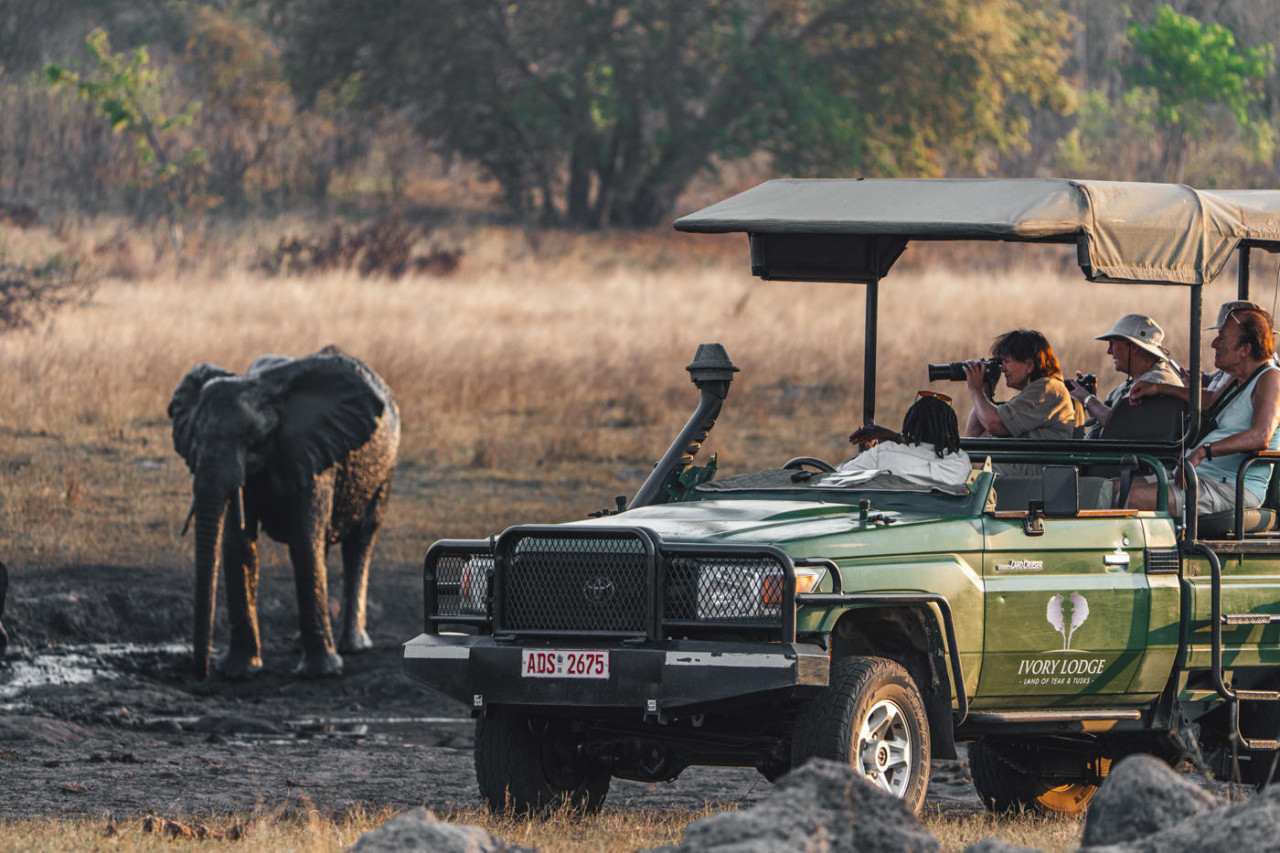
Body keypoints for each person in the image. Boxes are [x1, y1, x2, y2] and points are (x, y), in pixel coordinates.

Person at [1126, 304, 1280, 516]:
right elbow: (1209, 401)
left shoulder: (1270, 378)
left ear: (1245, 349)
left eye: (1222, 338)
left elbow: (1261, 436)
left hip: (1232, 488)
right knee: (1114, 486)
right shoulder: (1236, 380)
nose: (1214, 343)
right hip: (1201, 476)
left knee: (1127, 497)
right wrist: (1160, 388)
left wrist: (1203, 451)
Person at [1071, 313, 1183, 437]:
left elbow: (1121, 425)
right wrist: (1090, 400)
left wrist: (1088, 399)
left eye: (1112, 344)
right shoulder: (1137, 382)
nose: (1109, 351)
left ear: (1134, 347)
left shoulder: (1157, 383)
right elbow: (1108, 423)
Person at [841, 391, 972, 486]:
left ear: (910, 424)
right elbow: (924, 453)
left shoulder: (884, 454)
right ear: (950, 430)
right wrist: (895, 437)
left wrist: (865, 454)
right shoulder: (961, 462)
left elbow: (837, 477)